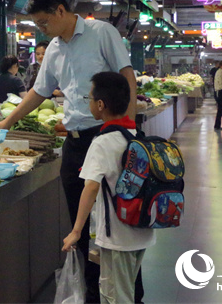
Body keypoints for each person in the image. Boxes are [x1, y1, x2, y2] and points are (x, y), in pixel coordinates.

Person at [0, 0, 140, 303]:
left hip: (108, 136)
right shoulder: (55, 49)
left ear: (61, 11)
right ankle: (92, 294)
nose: (41, 29)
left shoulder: (102, 32)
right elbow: (39, 92)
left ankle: (131, 294)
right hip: (74, 144)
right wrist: (6, 122)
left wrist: (128, 130)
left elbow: (127, 77)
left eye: (44, 22)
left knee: (117, 223)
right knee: (81, 222)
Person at [62, 71, 155, 304]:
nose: (90, 103)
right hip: (141, 230)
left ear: (100, 105)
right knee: (127, 292)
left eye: (90, 99)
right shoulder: (135, 135)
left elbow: (90, 187)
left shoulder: (102, 141)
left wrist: (76, 231)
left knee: (116, 297)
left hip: (117, 236)